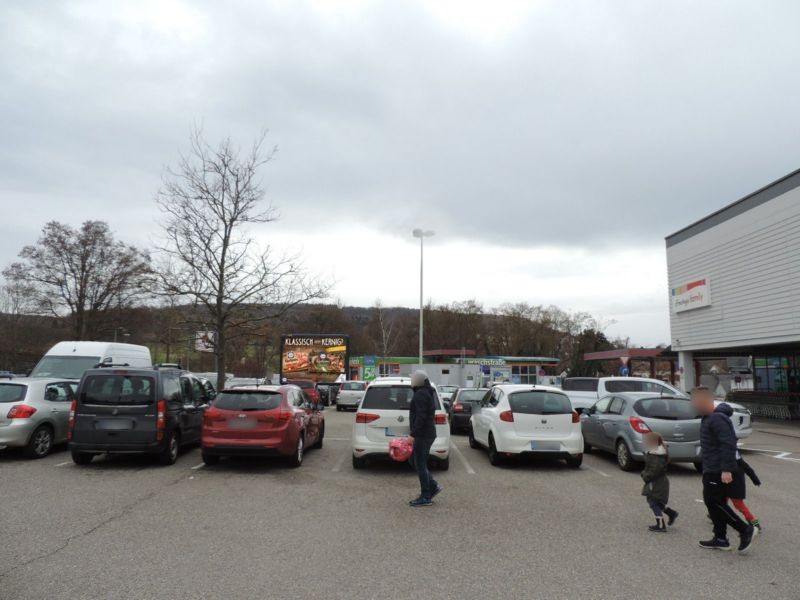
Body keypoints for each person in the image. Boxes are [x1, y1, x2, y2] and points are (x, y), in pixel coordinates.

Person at [692, 386, 756, 553]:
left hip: (717, 469)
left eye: (696, 401)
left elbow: (728, 444)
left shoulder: (717, 419)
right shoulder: (708, 418)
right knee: (713, 503)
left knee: (714, 502)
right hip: (711, 467)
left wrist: (727, 469)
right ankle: (720, 538)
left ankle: (745, 529)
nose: (694, 404)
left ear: (706, 400)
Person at [714, 404, 763, 531]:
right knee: (720, 498)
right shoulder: (726, 428)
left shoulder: (733, 454)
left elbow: (745, 466)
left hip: (735, 482)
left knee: (737, 503)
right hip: (726, 479)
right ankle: (717, 514)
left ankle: (753, 521)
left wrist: (755, 478)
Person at [407, 370, 442, 508]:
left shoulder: (421, 394)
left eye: (413, 379)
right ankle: (433, 486)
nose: (411, 381)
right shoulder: (427, 392)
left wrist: (412, 434)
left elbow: (421, 417)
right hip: (426, 433)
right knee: (415, 461)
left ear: (418, 380)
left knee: (420, 464)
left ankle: (426, 496)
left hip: (423, 434)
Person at [640, 432, 678, 532]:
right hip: (658, 481)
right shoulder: (655, 452)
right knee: (655, 500)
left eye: (647, 441)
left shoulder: (656, 454)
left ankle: (661, 525)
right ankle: (671, 513)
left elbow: (655, 470)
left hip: (657, 482)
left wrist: (645, 475)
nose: (645, 442)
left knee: (652, 501)